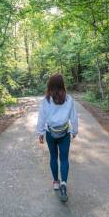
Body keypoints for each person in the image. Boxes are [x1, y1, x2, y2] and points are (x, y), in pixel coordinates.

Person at [36, 73, 78, 202]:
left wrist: (40, 132)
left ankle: (56, 182)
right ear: (62, 84)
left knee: (53, 157)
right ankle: (64, 183)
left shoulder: (46, 100)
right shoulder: (69, 99)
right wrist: (74, 130)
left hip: (51, 133)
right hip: (64, 133)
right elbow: (74, 117)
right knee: (64, 159)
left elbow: (41, 117)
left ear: (50, 85)